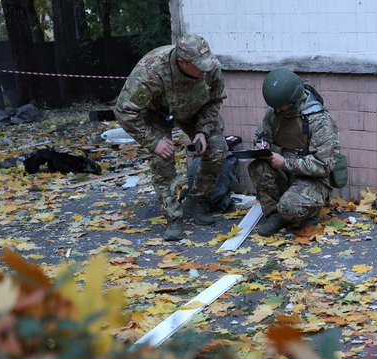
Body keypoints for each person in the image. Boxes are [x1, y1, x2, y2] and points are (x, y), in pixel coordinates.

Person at [114, 34, 227, 240]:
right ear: (182, 62)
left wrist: (202, 130)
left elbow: (215, 100)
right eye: (199, 65)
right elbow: (124, 111)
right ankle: (173, 217)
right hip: (156, 113)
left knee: (217, 148)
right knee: (162, 158)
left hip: (193, 109)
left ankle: (197, 201)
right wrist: (153, 142)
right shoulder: (150, 71)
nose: (205, 69)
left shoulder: (210, 67)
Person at [250, 68, 342, 236]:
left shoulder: (319, 120)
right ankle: (276, 216)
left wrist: (285, 163)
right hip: (285, 173)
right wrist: (261, 146)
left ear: (293, 101)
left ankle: (306, 214)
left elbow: (324, 165)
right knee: (258, 167)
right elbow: (262, 136)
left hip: (313, 180)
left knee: (289, 207)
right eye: (275, 108)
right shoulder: (274, 113)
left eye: (281, 108)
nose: (278, 112)